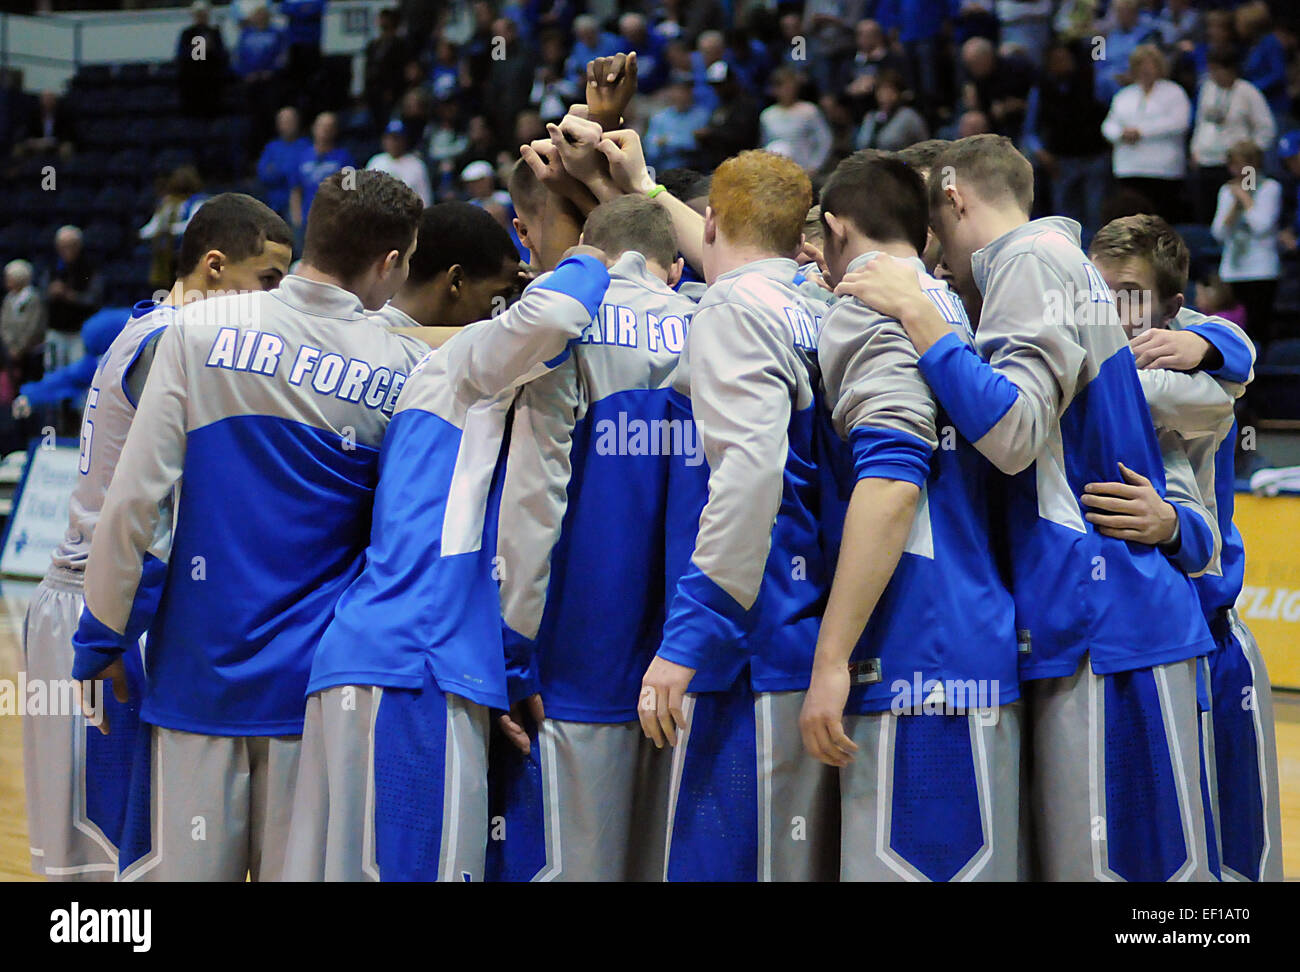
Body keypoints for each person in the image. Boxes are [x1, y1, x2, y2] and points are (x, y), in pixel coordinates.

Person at [837, 134, 1216, 882]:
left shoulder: (1029, 260)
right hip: (1093, 620)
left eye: (932, 226)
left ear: (953, 194)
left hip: (1109, 621)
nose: (930, 252)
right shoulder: (1048, 264)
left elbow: (1012, 432)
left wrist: (920, 316)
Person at [71, 170, 427, 882]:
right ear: (389, 263)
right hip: (317, 695)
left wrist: (101, 636)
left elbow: (135, 504)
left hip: (197, 680)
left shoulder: (195, 330)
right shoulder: (404, 365)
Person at [280, 233, 611, 881]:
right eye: (495, 301)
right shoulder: (464, 366)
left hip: (356, 664)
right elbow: (552, 315)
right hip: (417, 668)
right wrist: (596, 249)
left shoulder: (401, 371)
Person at [24, 194, 292, 883]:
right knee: (112, 864)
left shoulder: (152, 325)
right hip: (102, 603)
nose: (278, 299)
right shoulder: (175, 342)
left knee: (111, 859)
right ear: (213, 266)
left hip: (91, 598)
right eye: (267, 280)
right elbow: (152, 513)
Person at [599, 145, 836, 882]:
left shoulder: (732, 308)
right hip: (806, 624)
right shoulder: (815, 304)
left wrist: (687, 636)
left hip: (747, 642)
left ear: (709, 223)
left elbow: (749, 475)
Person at [802, 149, 1020, 881]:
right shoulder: (945, 302)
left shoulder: (870, 306)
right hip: (973, 642)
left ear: (834, 228)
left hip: (913, 659)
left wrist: (831, 660)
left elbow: (893, 484)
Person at [488, 193, 694, 882]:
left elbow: (534, 495)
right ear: (673, 267)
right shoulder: (711, 321)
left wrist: (513, 650)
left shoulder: (569, 325)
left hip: (574, 662)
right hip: (694, 668)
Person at [1089, 214, 1280, 882]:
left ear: (1172, 310)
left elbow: (1236, 363)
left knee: (1223, 860)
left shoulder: (1176, 379)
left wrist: (1212, 343)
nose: (1112, 306)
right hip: (1117, 646)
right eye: (1098, 287)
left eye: (1130, 293)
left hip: (1204, 633)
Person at [1021, 41, 1112, 233]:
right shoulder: (1040, 90)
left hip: (1094, 158)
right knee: (1064, 220)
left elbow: (1117, 110)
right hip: (1060, 163)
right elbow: (1030, 131)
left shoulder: (1096, 81)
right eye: (1056, 60)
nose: (1062, 63)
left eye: (1065, 58)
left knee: (1096, 215)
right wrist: (1041, 153)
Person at [1101, 44, 1192, 224]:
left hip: (1163, 170)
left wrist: (1141, 132)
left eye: (1150, 64)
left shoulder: (1174, 92)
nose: (1145, 69)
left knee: (1162, 221)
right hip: (1129, 168)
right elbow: (1108, 125)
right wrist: (1121, 134)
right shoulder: (1124, 95)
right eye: (1140, 65)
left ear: (1159, 67)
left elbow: (1179, 123)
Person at [1191, 47, 1276, 225]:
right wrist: (1195, 148)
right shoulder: (1207, 88)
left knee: (1245, 207)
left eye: (1217, 70)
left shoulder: (1249, 92)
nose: (1213, 75)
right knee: (1206, 214)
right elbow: (1201, 122)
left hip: (1243, 166)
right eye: (1210, 70)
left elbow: (1267, 129)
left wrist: (1251, 156)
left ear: (1231, 70)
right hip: (1207, 161)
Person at [1211, 139, 1282, 347]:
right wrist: (1233, 206)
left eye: (1242, 165)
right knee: (1233, 333)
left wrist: (1245, 199)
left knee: (1258, 331)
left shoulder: (1270, 188)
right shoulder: (1227, 191)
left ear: (1253, 165)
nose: (1238, 171)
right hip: (1232, 271)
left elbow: (1262, 226)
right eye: (1234, 165)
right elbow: (1219, 233)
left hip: (1261, 270)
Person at [43, 226, 102, 374]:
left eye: (70, 245)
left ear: (79, 246)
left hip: (80, 331)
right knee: (53, 371)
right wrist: (51, 292)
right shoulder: (51, 268)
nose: (66, 250)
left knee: (79, 372)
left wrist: (69, 295)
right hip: (56, 330)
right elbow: (41, 294)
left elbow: (94, 298)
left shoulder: (90, 268)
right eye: (62, 246)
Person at [139, 165, 207, 291]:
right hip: (167, 251)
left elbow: (192, 224)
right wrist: (142, 233)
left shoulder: (197, 201)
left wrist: (170, 230)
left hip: (188, 251)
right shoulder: (167, 202)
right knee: (164, 282)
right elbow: (155, 224)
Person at [290, 111, 354, 235]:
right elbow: (295, 190)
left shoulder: (345, 157)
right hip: (308, 220)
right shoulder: (301, 156)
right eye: (322, 126)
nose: (325, 130)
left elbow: (350, 190)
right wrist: (297, 218)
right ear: (313, 128)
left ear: (335, 131)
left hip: (335, 220)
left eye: (330, 126)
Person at [759, 68, 833, 174]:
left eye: (790, 86)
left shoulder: (809, 110)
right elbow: (765, 144)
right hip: (777, 174)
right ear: (774, 90)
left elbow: (825, 140)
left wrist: (815, 165)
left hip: (804, 170)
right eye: (782, 86)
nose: (787, 90)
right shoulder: (767, 115)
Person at [693, 60, 760, 172]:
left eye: (721, 85)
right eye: (715, 86)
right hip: (719, 166)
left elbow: (743, 136)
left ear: (731, 81)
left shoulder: (746, 104)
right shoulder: (720, 105)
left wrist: (711, 133)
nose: (718, 90)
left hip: (742, 166)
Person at [643, 73, 710, 172]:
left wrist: (667, 141)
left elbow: (694, 145)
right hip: (664, 171)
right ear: (671, 92)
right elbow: (651, 149)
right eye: (677, 90)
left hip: (693, 170)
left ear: (691, 92)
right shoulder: (660, 117)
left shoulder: (702, 116)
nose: (680, 95)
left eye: (685, 91)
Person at [175, 1, 228, 119]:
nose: (201, 17)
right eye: (198, 14)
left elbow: (222, 55)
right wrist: (196, 50)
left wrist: (210, 49)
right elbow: (181, 56)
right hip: (192, 82)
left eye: (204, 14)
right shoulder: (187, 33)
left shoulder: (214, 33)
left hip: (211, 81)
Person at [853, 70, 927, 153]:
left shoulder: (909, 116)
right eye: (881, 91)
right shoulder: (870, 117)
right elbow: (861, 145)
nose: (885, 96)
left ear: (898, 93)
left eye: (890, 91)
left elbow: (925, 147)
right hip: (869, 164)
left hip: (901, 164)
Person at [257, 106, 310, 220]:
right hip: (273, 206)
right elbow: (263, 175)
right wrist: (287, 171)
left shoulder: (307, 146)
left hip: (300, 206)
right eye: (283, 121)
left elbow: (303, 176)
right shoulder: (271, 147)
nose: (286, 125)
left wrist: (276, 169)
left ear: (297, 122)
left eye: (290, 121)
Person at [366, 120, 433, 205]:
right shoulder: (376, 161)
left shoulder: (417, 165)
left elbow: (425, 198)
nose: (393, 143)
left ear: (404, 141)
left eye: (396, 139)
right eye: (389, 138)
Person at [1, 259, 45, 390]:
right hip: (11, 351)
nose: (6, 280)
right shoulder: (8, 299)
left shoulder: (34, 299)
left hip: (31, 352)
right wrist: (11, 347)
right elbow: (4, 325)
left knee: (30, 385)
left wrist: (20, 348)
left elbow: (34, 327)